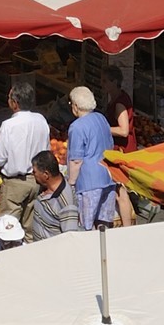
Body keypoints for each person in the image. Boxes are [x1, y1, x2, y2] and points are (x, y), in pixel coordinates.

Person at [0, 79, 51, 228]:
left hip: (15, 184)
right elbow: (47, 150)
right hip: (36, 181)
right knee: (31, 229)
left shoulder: (9, 125)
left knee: (8, 229)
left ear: (15, 103)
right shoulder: (41, 120)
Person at [66, 86, 116, 230]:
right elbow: (110, 144)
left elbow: (76, 160)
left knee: (86, 225)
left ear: (76, 106)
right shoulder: (101, 118)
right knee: (104, 223)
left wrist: (71, 183)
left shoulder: (77, 127)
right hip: (107, 176)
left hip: (89, 182)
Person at [98, 68, 139, 227]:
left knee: (120, 191)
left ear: (115, 82)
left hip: (121, 151)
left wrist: (102, 128)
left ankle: (127, 227)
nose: (102, 84)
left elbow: (123, 130)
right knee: (119, 190)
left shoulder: (119, 103)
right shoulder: (117, 98)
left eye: (105, 81)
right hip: (119, 149)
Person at [26, 149, 80, 240]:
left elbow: (70, 238)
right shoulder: (44, 187)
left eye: (34, 172)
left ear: (46, 175)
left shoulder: (66, 205)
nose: (32, 174)